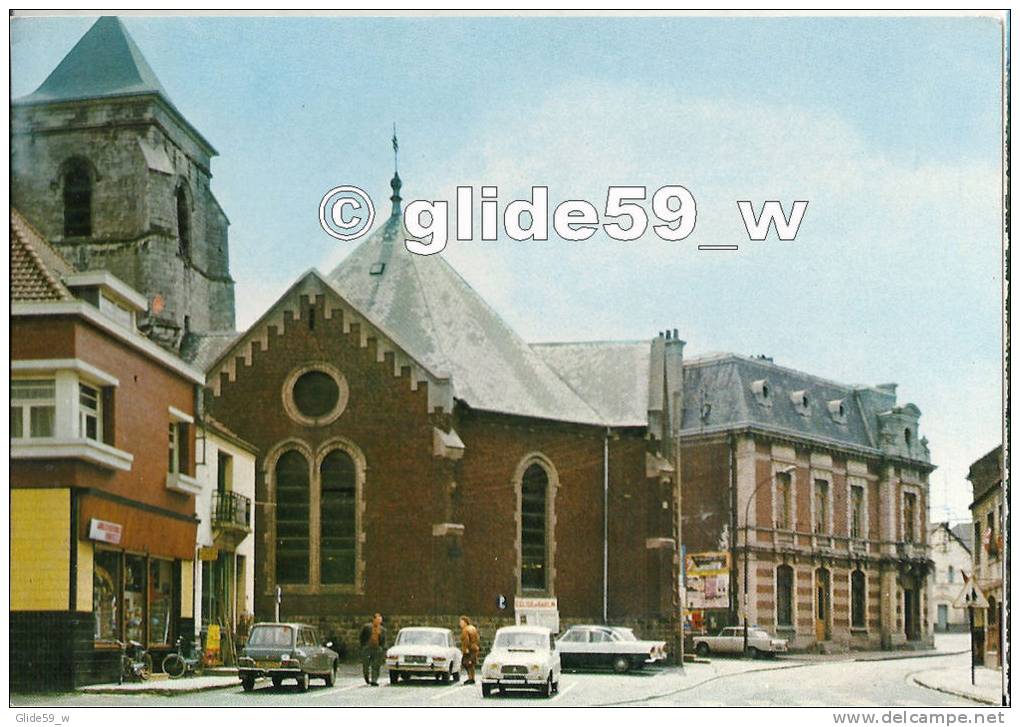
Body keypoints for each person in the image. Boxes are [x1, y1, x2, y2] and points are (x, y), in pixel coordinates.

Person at [359, 613, 386, 685]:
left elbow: (383, 640)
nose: (379, 621)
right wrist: (363, 646)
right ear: (374, 619)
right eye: (377, 619)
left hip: (377, 648)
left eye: (380, 620)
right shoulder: (367, 627)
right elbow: (362, 637)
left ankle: (374, 680)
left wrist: (381, 648)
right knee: (366, 665)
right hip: (367, 648)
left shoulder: (382, 629)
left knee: (376, 665)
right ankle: (367, 678)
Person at [459, 615, 480, 685]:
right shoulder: (473, 628)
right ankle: (472, 678)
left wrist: (465, 649)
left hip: (469, 649)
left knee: (465, 663)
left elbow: (466, 640)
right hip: (475, 648)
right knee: (472, 664)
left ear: (465, 622)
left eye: (461, 622)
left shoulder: (465, 630)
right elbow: (477, 638)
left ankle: (470, 678)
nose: (460, 624)